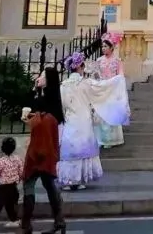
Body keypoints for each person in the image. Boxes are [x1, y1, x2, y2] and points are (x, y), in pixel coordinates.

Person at [56, 52, 130, 190]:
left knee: (70, 149)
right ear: (80, 67)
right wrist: (118, 80)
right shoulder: (86, 83)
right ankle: (81, 179)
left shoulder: (63, 86)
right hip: (84, 119)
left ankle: (68, 179)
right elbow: (103, 88)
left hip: (70, 119)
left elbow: (63, 105)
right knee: (83, 149)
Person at [20, 103, 65, 234]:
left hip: (34, 157)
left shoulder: (37, 119)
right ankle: (59, 221)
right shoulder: (52, 119)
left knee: (28, 186)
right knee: (50, 187)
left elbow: (32, 122)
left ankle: (26, 224)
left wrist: (25, 117)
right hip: (48, 158)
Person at [92, 33, 126, 148]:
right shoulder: (99, 60)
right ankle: (101, 138)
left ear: (112, 47)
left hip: (112, 89)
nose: (103, 48)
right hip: (102, 88)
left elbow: (120, 75)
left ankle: (110, 139)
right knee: (101, 113)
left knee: (110, 114)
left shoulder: (117, 60)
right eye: (102, 46)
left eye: (105, 46)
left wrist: (114, 84)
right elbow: (96, 74)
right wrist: (97, 78)